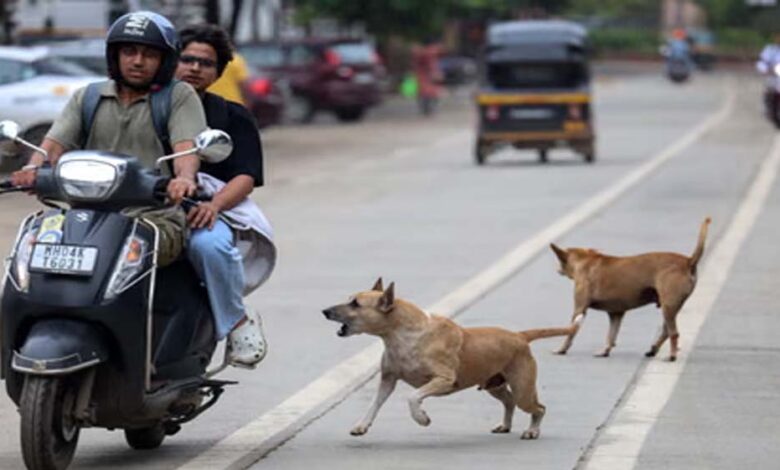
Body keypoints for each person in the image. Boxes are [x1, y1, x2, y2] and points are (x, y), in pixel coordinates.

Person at [11, 11, 206, 267]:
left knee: (123, 255)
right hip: (84, 214)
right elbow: (54, 145)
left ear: (164, 60)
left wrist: (184, 179)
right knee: (32, 250)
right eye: (129, 52)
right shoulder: (88, 97)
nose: (138, 61)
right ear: (115, 55)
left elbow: (186, 149)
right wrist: (32, 169)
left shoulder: (178, 96)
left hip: (153, 216)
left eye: (149, 54)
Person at [176, 23, 274, 368]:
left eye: (206, 63)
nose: (194, 68)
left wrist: (214, 205)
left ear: (218, 73)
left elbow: (245, 176)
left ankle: (236, 322)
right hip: (144, 207)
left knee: (211, 246)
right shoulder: (148, 107)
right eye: (187, 59)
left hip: (200, 209)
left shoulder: (232, 116)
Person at [411, 39, 443, 116]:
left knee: (425, 92)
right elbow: (431, 65)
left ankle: (426, 108)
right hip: (427, 75)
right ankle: (428, 108)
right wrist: (436, 72)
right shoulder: (430, 53)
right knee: (430, 92)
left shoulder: (421, 53)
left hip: (423, 75)